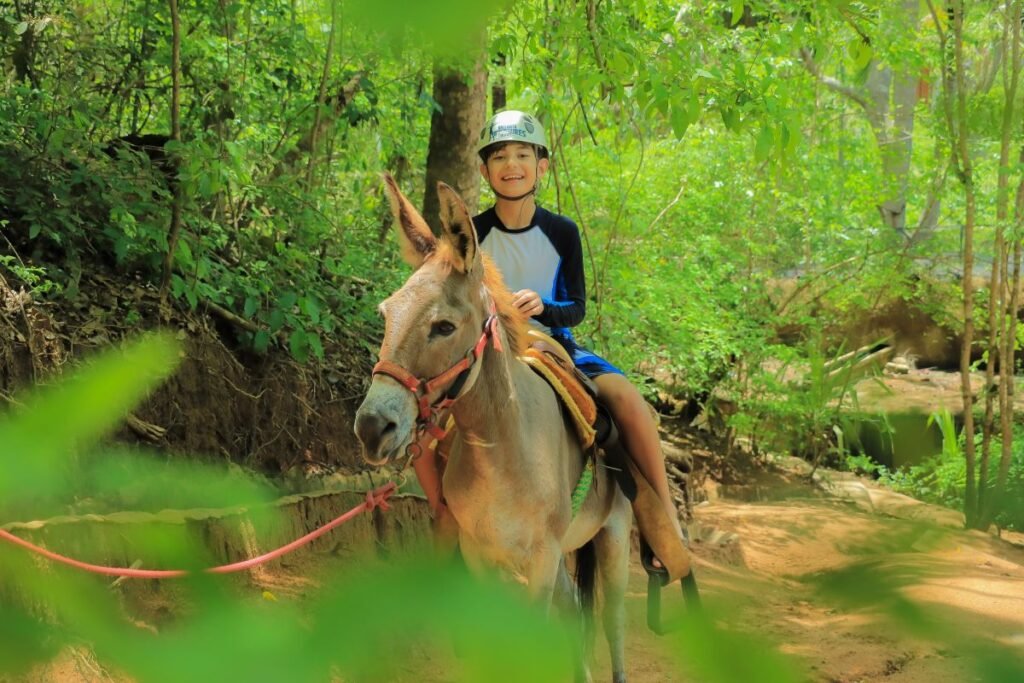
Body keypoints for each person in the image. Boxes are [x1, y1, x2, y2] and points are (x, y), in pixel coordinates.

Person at [413, 110, 685, 565]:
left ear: (542, 166)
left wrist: (543, 305)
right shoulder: (470, 233)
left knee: (629, 402)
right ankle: (443, 514)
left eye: (523, 154)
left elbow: (577, 306)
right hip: (486, 352)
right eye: (499, 156)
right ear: (484, 170)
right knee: (420, 424)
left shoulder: (563, 232)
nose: (511, 164)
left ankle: (663, 524)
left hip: (551, 344)